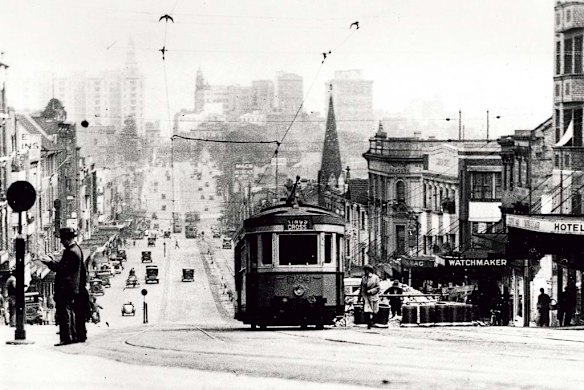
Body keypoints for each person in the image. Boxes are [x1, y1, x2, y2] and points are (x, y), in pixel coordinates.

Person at [41, 228, 86, 346]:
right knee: (70, 312)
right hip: (72, 287)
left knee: (64, 312)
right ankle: (73, 335)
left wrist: (49, 263)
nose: (61, 242)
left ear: (67, 239)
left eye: (62, 239)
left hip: (65, 288)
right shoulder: (77, 249)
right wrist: (53, 260)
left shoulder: (70, 252)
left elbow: (62, 269)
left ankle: (66, 337)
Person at [359, 264, 380, 329]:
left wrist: (371, 291)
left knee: (374, 311)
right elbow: (362, 287)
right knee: (367, 311)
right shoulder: (364, 278)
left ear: (370, 270)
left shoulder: (375, 277)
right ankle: (369, 324)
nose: (366, 271)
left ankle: (373, 322)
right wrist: (360, 296)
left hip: (373, 296)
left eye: (367, 270)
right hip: (366, 297)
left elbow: (378, 287)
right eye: (365, 270)